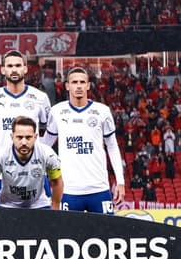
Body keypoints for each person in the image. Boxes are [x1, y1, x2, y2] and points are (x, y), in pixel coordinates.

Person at [42, 67, 125, 214]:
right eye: (74, 82)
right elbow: (45, 146)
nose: (78, 86)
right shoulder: (57, 111)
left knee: (104, 234)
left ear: (88, 85)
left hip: (99, 188)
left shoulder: (102, 111)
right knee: (67, 235)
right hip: (68, 190)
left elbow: (112, 146)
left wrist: (120, 182)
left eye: (82, 82)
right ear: (67, 86)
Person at [0, 50, 52, 202]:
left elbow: (49, 129)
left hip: (34, 171)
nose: (14, 70)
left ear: (25, 69)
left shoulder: (40, 98)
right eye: (10, 66)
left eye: (18, 65)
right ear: (3, 70)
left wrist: (42, 151)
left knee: (42, 219)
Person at [0, 116, 62, 209]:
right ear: (12, 137)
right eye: (19, 137)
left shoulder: (48, 154)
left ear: (35, 137)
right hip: (7, 205)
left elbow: (57, 181)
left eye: (28, 138)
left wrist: (55, 209)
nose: (24, 142)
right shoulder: (0, 155)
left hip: (39, 205)